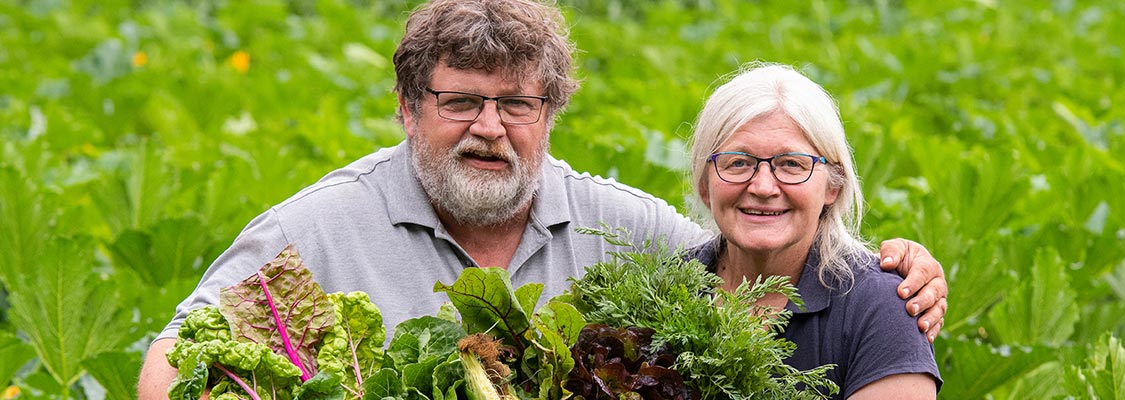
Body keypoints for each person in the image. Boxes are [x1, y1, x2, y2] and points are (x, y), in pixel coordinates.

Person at [137, 0, 948, 398]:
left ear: (550, 115)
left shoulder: (622, 226)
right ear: (408, 105)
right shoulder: (317, 229)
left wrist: (893, 266)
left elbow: (757, 244)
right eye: (460, 102)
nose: (489, 130)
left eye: (517, 105)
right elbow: (169, 366)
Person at [686, 63, 941, 399]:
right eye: (738, 162)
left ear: (832, 186)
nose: (763, 186)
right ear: (705, 185)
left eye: (791, 164)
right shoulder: (667, 287)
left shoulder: (880, 309)